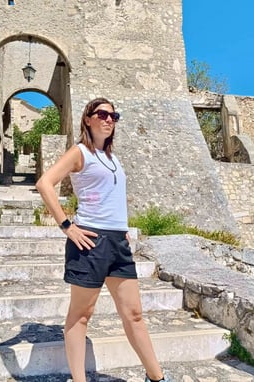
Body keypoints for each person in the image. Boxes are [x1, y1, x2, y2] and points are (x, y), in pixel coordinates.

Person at [36, 97, 171, 382]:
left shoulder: (113, 159)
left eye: (114, 115)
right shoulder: (80, 152)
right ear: (88, 119)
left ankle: (157, 378)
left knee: (134, 314)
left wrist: (121, 228)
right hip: (89, 242)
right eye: (102, 114)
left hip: (117, 244)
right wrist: (67, 226)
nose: (109, 119)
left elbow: (112, 198)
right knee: (81, 316)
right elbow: (45, 183)